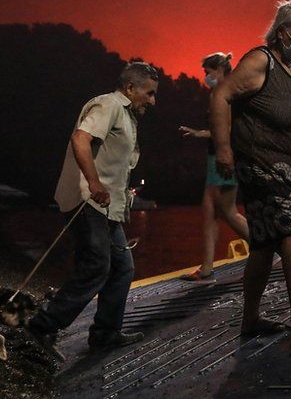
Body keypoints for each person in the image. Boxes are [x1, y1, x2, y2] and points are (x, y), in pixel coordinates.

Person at [209, 0, 291, 335]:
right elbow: (221, 95)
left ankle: (250, 320)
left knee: (264, 247)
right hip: (261, 168)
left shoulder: (289, 68)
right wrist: (223, 149)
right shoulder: (260, 59)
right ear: (282, 32)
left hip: (287, 174)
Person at [27, 61, 158, 354]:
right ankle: (40, 326)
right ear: (130, 88)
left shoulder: (128, 117)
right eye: (148, 93)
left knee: (123, 267)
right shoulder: (108, 104)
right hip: (87, 200)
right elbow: (80, 138)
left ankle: (105, 333)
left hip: (107, 208)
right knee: (97, 266)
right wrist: (94, 181)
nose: (152, 100)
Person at [179, 52, 250, 282]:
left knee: (228, 212)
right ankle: (207, 268)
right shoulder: (217, 93)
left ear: (219, 70)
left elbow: (229, 129)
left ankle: (267, 250)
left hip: (225, 157)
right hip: (214, 158)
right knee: (209, 212)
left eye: (207, 72)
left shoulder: (226, 94)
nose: (205, 76)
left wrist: (200, 133)